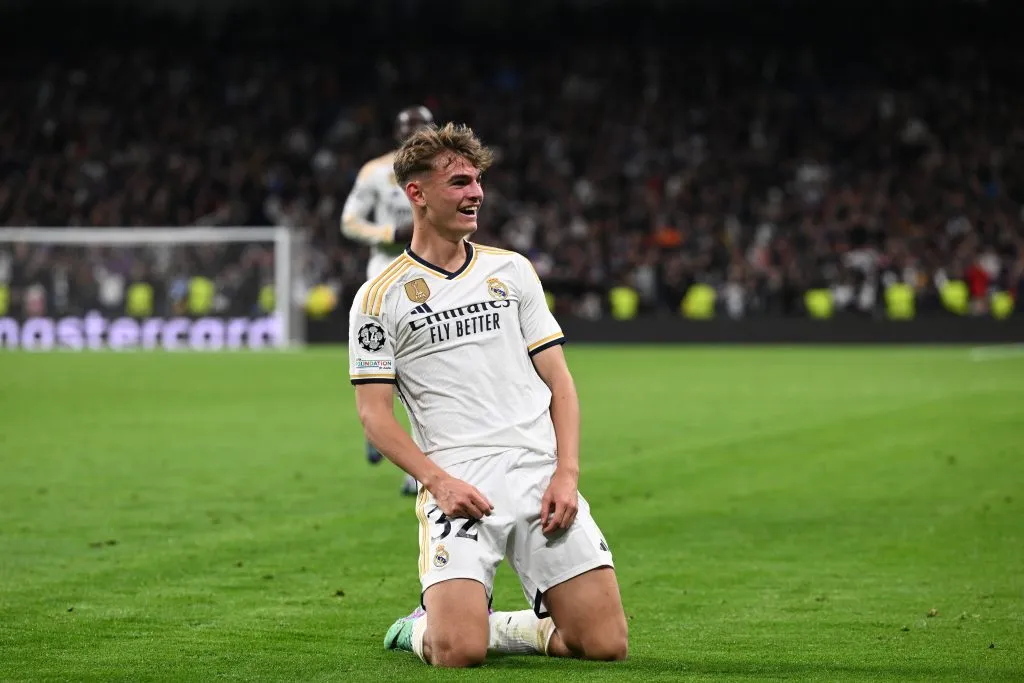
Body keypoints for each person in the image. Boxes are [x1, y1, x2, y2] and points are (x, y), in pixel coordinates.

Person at [348, 122, 628, 668]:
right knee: (457, 653)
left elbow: (561, 385)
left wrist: (566, 473)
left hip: (538, 476)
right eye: (457, 182)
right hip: (460, 485)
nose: (474, 193)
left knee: (604, 645)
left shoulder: (512, 270)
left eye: (476, 181)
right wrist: (438, 482)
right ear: (417, 194)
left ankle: (500, 624)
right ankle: (422, 628)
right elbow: (374, 418)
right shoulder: (378, 298)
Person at [342, 105, 434, 496]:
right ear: (397, 133)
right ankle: (377, 421)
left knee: (426, 365)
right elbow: (349, 221)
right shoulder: (375, 172)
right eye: (408, 127)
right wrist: (387, 231)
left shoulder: (443, 169)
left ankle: (415, 471)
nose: (415, 133)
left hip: (427, 274)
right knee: (384, 362)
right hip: (383, 276)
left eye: (422, 127)